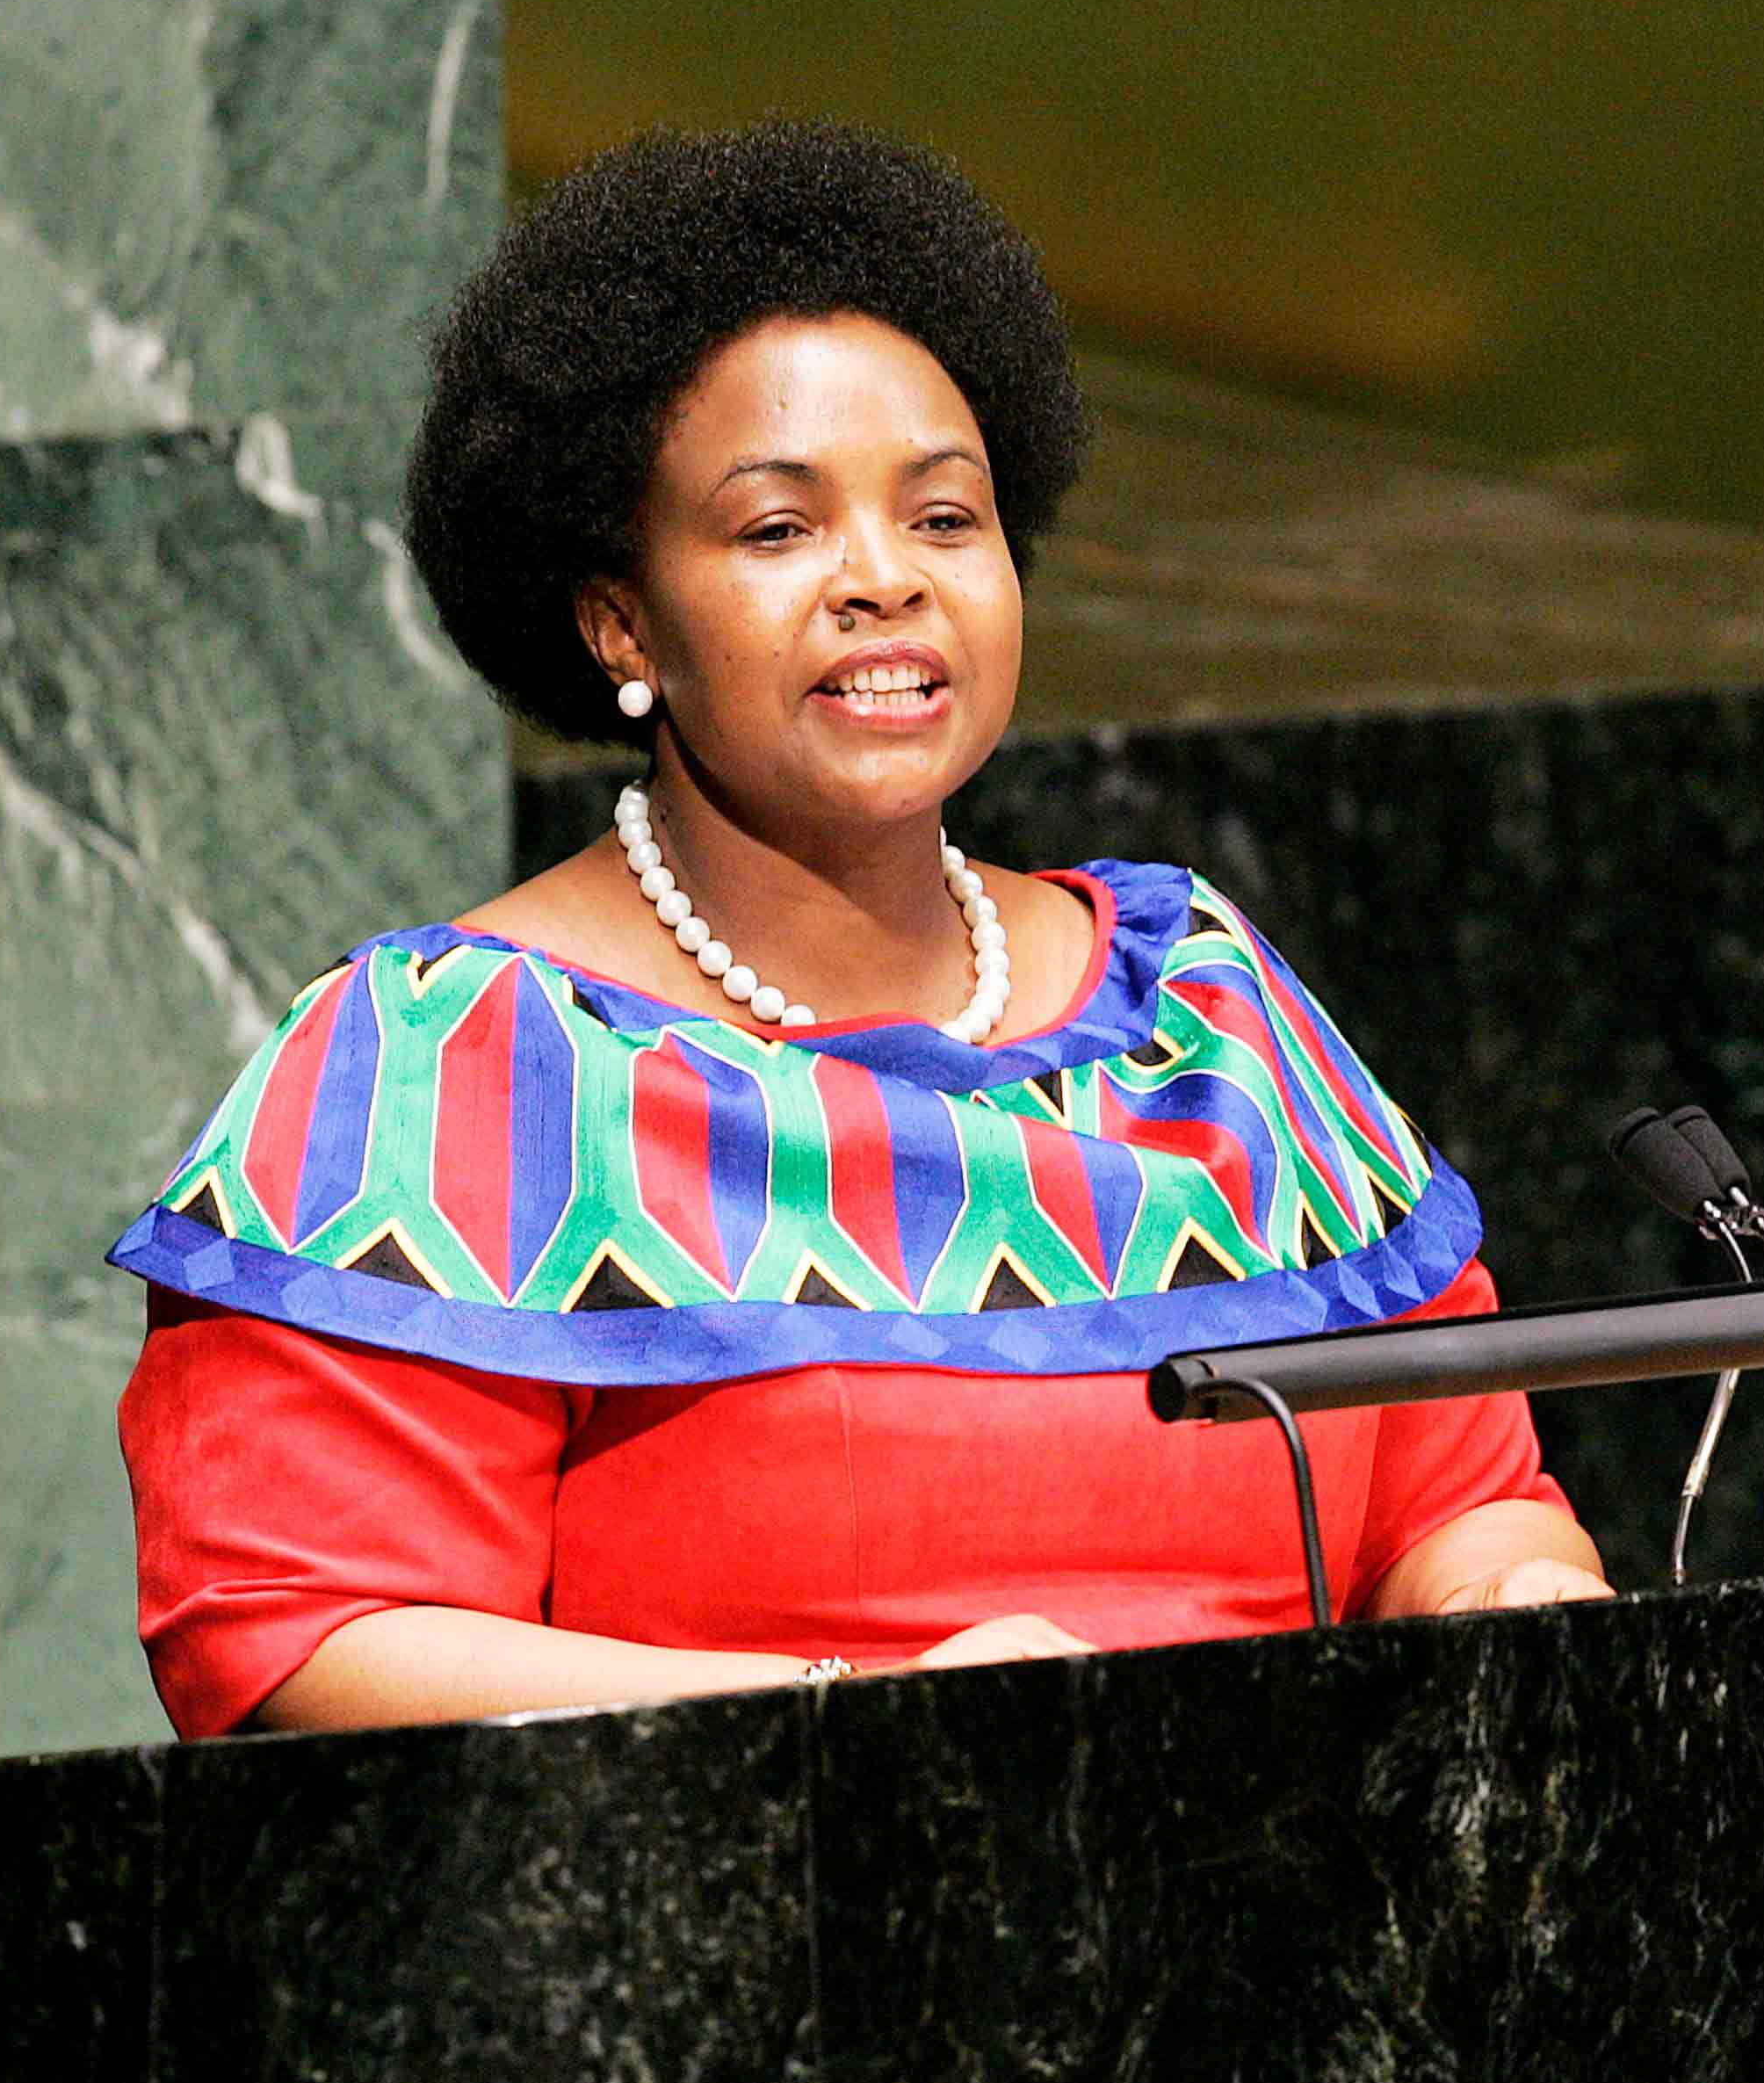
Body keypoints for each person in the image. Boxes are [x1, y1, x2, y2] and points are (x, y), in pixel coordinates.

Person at [108, 119, 1609, 1737]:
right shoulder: (444, 1066)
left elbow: (1463, 1490)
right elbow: (297, 1647)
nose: (883, 581)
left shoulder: (1211, 1008)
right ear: (623, 620)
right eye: (777, 529)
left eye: (945, 518)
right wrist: (863, 1731)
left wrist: (1507, 1600)